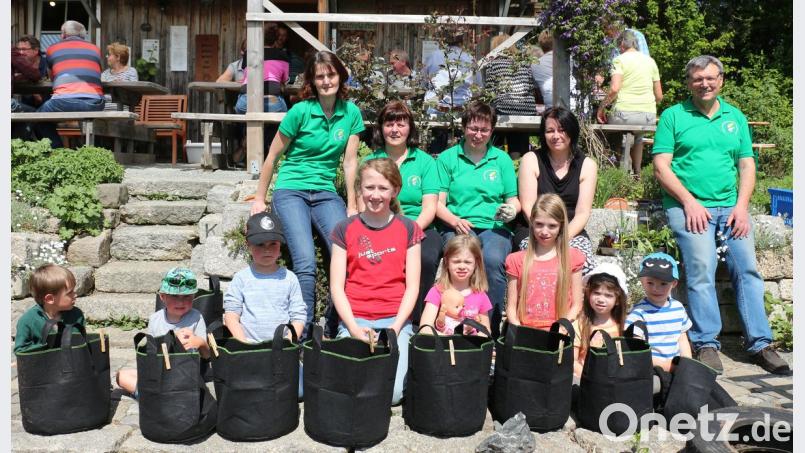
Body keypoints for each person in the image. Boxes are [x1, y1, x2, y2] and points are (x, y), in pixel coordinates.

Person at [652, 55, 789, 375]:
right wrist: (689, 202)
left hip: (731, 207)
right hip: (688, 206)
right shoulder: (673, 116)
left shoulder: (735, 117)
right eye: (698, 79)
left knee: (747, 268)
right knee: (701, 266)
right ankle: (707, 344)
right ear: (689, 83)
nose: (704, 83)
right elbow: (661, 166)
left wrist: (742, 207)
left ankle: (760, 344)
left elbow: (746, 165)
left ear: (721, 80)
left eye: (710, 78)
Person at [250, 50, 364, 333]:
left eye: (331, 74)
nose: (326, 81)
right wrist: (259, 199)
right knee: (306, 263)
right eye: (320, 76)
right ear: (312, 81)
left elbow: (350, 162)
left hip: (325, 192)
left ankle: (334, 325)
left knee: (347, 254)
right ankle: (304, 333)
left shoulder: (351, 113)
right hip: (291, 190)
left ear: (340, 76)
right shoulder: (300, 111)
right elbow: (273, 157)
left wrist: (352, 204)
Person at [330, 158, 423, 405]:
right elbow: (337, 287)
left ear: (395, 191)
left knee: (392, 395)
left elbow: (413, 286)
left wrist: (394, 328)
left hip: (394, 321)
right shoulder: (344, 228)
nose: (375, 195)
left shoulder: (409, 228)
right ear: (360, 188)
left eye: (383, 188)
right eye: (369, 187)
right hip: (355, 319)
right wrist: (352, 328)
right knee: (346, 383)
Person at [435, 101, 520, 338]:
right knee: (464, 258)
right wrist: (453, 220)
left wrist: (511, 210)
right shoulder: (447, 158)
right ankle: (452, 323)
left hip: (494, 226)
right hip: (458, 225)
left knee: (492, 260)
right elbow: (437, 203)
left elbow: (513, 199)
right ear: (464, 127)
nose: (478, 135)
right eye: (473, 128)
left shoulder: (501, 160)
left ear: (492, 130)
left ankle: (489, 330)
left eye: (484, 130)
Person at [363, 101, 440, 326]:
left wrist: (408, 232)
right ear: (381, 128)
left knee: (426, 259)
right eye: (389, 124)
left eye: (401, 124)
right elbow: (363, 205)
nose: (395, 129)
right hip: (379, 225)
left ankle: (417, 322)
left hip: (419, 227)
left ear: (410, 129)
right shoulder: (370, 162)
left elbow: (430, 207)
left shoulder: (425, 161)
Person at [515, 107, 597, 275]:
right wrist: (545, 232)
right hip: (534, 229)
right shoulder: (531, 160)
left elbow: (582, 213)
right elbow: (528, 206)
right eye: (550, 131)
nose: (556, 136)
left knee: (583, 264)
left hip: (570, 231)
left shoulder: (587, 165)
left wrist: (561, 237)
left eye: (562, 130)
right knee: (534, 265)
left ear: (572, 132)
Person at [116, 268, 210, 396]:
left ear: (193, 296)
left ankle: (151, 396)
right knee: (121, 375)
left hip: (186, 375)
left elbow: (207, 355)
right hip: (161, 373)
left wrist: (199, 342)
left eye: (186, 296)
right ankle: (155, 395)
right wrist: (170, 341)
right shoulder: (155, 319)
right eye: (174, 296)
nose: (181, 302)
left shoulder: (196, 318)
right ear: (162, 297)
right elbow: (152, 353)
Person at [505, 193, 584, 330]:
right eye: (539, 224)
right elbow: (511, 307)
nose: (544, 232)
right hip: (525, 330)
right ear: (532, 222)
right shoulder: (516, 260)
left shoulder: (573, 258)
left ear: (561, 226)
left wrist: (563, 326)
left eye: (552, 226)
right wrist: (519, 330)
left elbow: (577, 304)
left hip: (560, 331)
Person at [223, 211, 306, 342]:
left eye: (273, 244)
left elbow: (298, 315)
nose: (267, 249)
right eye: (260, 244)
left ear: (280, 245)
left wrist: (289, 342)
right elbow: (231, 315)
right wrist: (244, 345)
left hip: (282, 349)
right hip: (249, 348)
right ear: (248, 245)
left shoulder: (290, 278)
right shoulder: (241, 278)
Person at [596, 30, 663, 176]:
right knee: (638, 135)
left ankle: (619, 172)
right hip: (648, 116)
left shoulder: (619, 60)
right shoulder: (650, 61)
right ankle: (637, 173)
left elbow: (614, 89)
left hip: (624, 114)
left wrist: (601, 107)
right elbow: (659, 96)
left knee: (611, 132)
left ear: (621, 44)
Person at [35, 20, 105, 148]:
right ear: (84, 36)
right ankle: (91, 152)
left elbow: (52, 77)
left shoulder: (52, 49)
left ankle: (58, 152)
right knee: (88, 119)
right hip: (95, 102)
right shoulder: (95, 49)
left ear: (63, 34)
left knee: (38, 119)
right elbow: (98, 73)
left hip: (63, 101)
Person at [625, 253, 692, 372]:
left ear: (674, 283)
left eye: (663, 284)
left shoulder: (678, 308)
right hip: (651, 368)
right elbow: (636, 348)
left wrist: (688, 364)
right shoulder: (639, 312)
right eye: (650, 283)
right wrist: (667, 366)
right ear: (642, 281)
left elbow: (682, 339)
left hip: (677, 367)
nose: (656, 288)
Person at [234, 27, 289, 162]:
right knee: (280, 118)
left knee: (246, 116)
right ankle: (271, 150)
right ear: (277, 40)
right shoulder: (282, 55)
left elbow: (245, 75)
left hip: (245, 102)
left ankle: (247, 139)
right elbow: (285, 80)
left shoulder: (248, 55)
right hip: (272, 101)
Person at [419, 235, 492, 336]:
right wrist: (448, 340)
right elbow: (425, 327)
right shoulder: (437, 291)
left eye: (467, 262)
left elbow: (486, 330)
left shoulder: (480, 295)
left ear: (476, 264)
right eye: (456, 261)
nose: (462, 266)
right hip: (444, 347)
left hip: (471, 348)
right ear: (446, 262)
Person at [485, 33, 539, 158]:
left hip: (504, 110)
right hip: (527, 111)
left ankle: (495, 158)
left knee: (495, 134)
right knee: (518, 138)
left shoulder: (494, 63)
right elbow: (531, 87)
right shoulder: (524, 63)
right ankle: (519, 162)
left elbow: (490, 92)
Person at [572, 262, 629, 378]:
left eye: (608, 295)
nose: (601, 299)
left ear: (617, 300)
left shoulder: (623, 327)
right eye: (596, 293)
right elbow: (572, 360)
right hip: (585, 381)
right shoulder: (579, 325)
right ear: (588, 294)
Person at [14, 264, 83, 353]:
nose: (75, 295)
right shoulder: (28, 321)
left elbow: (81, 343)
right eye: (70, 293)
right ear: (50, 299)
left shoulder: (76, 315)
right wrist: (47, 347)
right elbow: (21, 351)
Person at [100, 42, 138, 111]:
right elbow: (100, 92)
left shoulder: (131, 71)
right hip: (104, 111)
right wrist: (111, 85)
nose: (107, 57)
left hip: (123, 111)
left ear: (118, 57)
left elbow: (134, 91)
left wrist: (121, 85)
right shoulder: (105, 74)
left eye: (109, 55)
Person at [530, 30, 554, 108]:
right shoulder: (568, 59)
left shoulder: (535, 64)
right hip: (577, 107)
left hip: (550, 107)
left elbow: (536, 92)